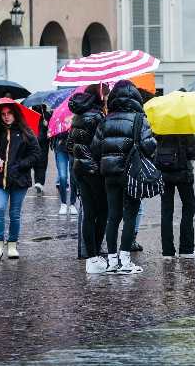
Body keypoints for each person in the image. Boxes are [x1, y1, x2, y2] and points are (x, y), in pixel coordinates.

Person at [91, 80, 157, 274]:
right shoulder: (139, 119)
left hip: (110, 174)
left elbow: (95, 148)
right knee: (130, 216)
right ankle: (125, 260)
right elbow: (149, 146)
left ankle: (112, 261)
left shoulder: (106, 119)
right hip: (132, 174)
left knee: (113, 217)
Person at [0, 104, 41, 260]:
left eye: (9, 113)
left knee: (14, 213)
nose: (6, 116)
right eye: (3, 114)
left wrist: (20, 165)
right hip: (0, 179)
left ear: (15, 114)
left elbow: (36, 154)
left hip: (20, 179)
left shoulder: (26, 133)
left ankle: (12, 244)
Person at [67, 85, 109, 274]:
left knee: (89, 213)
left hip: (79, 170)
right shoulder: (97, 117)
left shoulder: (78, 116)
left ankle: (91, 256)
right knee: (103, 212)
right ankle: (96, 252)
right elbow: (101, 146)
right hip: (94, 171)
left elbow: (69, 145)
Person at [155, 133, 195, 259]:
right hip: (183, 174)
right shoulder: (185, 126)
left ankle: (167, 252)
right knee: (188, 208)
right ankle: (186, 249)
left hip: (164, 173)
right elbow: (192, 153)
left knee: (166, 211)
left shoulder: (160, 126)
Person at [52, 130, 78, 216]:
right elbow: (54, 131)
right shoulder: (59, 117)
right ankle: (63, 203)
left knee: (73, 176)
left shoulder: (77, 117)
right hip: (61, 147)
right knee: (62, 176)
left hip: (74, 148)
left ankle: (72, 203)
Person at [32, 104, 51, 194]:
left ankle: (39, 182)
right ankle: (39, 182)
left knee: (39, 163)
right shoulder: (34, 114)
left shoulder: (46, 115)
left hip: (40, 142)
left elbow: (51, 128)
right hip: (39, 142)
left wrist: (47, 125)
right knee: (40, 163)